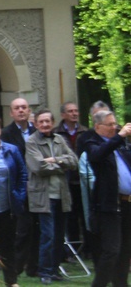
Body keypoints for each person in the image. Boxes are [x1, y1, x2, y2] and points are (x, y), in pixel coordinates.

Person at [25, 109, 78, 285]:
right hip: (43, 197)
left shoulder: (59, 139)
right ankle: (45, 271)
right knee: (47, 235)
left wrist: (53, 160)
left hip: (61, 195)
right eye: (41, 121)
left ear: (52, 122)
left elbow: (74, 161)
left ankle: (54, 270)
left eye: (48, 121)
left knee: (58, 235)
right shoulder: (31, 142)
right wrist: (61, 163)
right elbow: (38, 167)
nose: (45, 124)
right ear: (36, 124)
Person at [84, 109, 131, 287]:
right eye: (110, 124)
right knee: (111, 250)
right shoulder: (92, 143)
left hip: (127, 204)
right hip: (110, 206)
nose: (114, 127)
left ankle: (121, 284)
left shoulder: (121, 144)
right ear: (98, 126)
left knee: (125, 251)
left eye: (115, 124)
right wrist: (118, 137)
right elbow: (97, 156)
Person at [0, 112, 27, 287]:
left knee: (8, 247)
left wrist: (20, 196)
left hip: (8, 208)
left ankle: (12, 281)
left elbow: (22, 174)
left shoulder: (11, 150)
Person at [1, 97, 39, 276]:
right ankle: (16, 267)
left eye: (24, 107)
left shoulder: (37, 131)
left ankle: (34, 266)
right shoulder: (6, 133)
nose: (21, 110)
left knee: (38, 228)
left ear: (29, 110)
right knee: (22, 229)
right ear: (11, 112)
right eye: (17, 108)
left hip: (39, 186)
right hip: (20, 186)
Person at [54, 102, 90, 257]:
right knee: (70, 217)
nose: (74, 114)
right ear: (63, 114)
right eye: (70, 111)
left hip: (83, 181)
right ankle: (72, 251)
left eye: (76, 111)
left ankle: (88, 249)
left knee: (85, 214)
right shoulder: (57, 133)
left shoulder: (85, 132)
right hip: (66, 181)